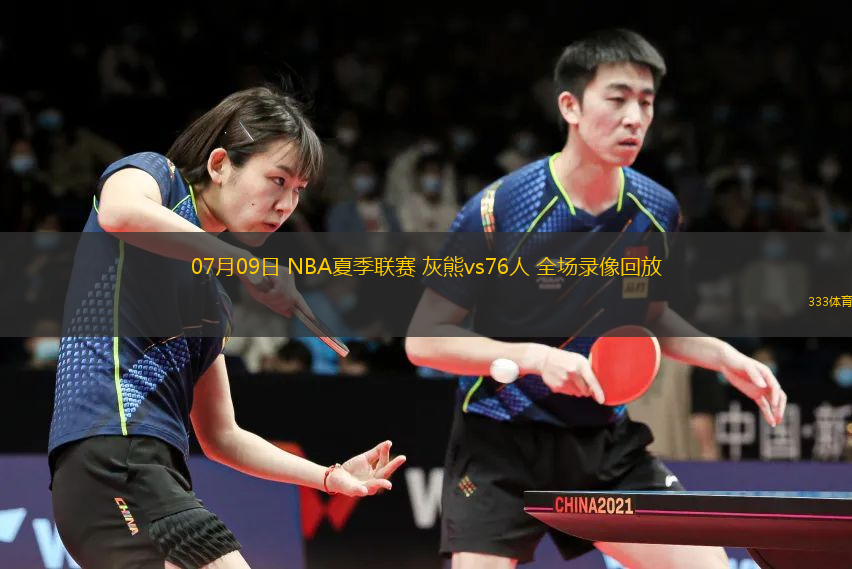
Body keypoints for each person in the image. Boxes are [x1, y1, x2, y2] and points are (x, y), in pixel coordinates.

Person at [405, 29, 786, 569]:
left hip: (604, 442)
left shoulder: (656, 210)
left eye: (646, 102)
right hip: (500, 440)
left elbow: (647, 314)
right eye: (618, 98)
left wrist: (722, 356)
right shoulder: (500, 210)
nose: (635, 117)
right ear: (571, 107)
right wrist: (536, 358)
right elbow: (424, 341)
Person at [48, 86, 406, 569]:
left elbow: (222, 436)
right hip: (113, 457)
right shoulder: (155, 177)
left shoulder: (212, 298)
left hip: (154, 471)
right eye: (277, 180)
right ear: (219, 164)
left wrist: (327, 476)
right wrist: (243, 263)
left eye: (298, 190)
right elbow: (119, 213)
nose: (286, 204)